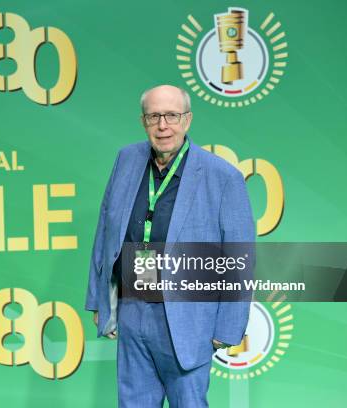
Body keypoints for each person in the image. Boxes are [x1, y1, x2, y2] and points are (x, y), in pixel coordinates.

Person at [85, 84, 255, 407]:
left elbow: (239, 258)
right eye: (154, 117)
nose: (163, 125)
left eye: (172, 116)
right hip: (134, 311)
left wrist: (227, 328)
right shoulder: (126, 160)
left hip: (189, 320)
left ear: (187, 120)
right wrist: (99, 299)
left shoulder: (223, 177)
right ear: (143, 122)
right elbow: (105, 230)